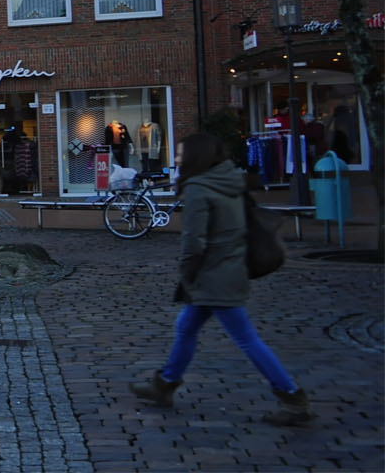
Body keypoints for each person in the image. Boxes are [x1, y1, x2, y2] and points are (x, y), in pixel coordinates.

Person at [128, 133, 312, 426]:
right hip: (229, 268)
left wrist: (186, 272)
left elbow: (194, 240)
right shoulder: (229, 181)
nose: (176, 159)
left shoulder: (199, 189)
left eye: (180, 154)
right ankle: (164, 385)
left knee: (246, 338)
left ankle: (292, 397)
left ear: (194, 157)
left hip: (213, 275)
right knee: (186, 326)